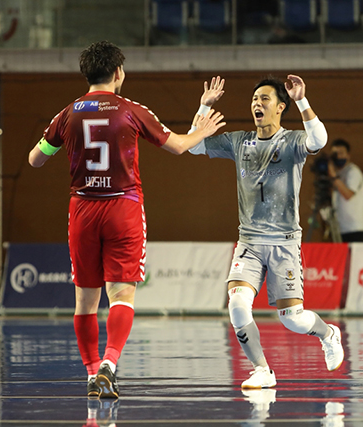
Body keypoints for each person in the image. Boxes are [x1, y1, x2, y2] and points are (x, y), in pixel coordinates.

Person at [28, 41, 225, 399]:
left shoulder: (67, 114)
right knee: (121, 294)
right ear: (118, 73)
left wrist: (55, 145)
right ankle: (110, 363)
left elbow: (34, 160)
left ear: (86, 73)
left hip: (83, 209)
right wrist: (203, 130)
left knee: (85, 302)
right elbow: (178, 146)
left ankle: (92, 374)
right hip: (122, 208)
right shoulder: (131, 110)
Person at [188, 75, 344, 388]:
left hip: (284, 242)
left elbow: (319, 140)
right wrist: (204, 106)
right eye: (254, 99)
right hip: (249, 241)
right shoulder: (239, 141)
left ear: (280, 107)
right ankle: (262, 370)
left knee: (293, 319)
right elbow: (193, 146)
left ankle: (329, 334)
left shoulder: (292, 142)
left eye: (264, 99)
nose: (257, 104)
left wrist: (302, 100)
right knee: (237, 304)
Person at [328, 138, 363, 242]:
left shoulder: (353, 172)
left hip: (354, 227)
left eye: (341, 153)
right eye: (335, 154)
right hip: (340, 226)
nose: (338, 157)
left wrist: (333, 177)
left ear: (348, 155)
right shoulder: (338, 173)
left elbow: (348, 195)